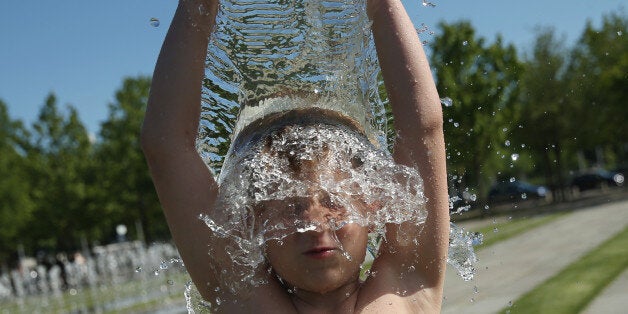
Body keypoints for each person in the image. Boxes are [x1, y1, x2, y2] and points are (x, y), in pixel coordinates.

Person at [141, 0, 449, 312]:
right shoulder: (241, 297)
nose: (315, 225)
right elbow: (166, 148)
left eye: (333, 201)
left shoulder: (407, 289)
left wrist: (381, 5)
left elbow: (422, 128)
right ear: (254, 223)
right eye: (291, 208)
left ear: (370, 208)